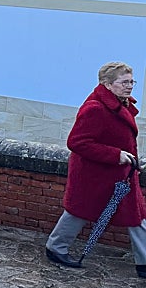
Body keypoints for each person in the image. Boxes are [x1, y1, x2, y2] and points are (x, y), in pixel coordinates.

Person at [45, 61, 146, 275]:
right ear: (108, 85)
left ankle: (144, 262)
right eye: (124, 82)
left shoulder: (121, 103)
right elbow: (76, 142)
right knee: (79, 212)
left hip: (118, 173)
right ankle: (55, 247)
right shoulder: (96, 108)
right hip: (96, 173)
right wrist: (116, 155)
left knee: (137, 215)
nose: (130, 86)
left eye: (131, 82)